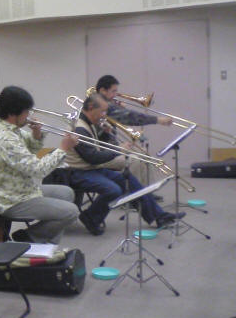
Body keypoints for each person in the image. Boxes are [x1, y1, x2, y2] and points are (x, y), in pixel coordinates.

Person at [65, 93, 184, 235]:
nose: (104, 115)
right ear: (90, 107)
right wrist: (119, 149)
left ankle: (159, 216)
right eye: (102, 112)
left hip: (91, 169)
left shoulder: (89, 123)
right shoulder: (80, 128)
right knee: (113, 189)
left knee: (127, 179)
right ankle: (90, 217)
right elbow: (93, 157)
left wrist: (107, 133)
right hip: (78, 172)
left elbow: (95, 150)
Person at [0, 86, 79, 244]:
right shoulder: (3, 137)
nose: (29, 116)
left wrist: (36, 134)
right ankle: (30, 237)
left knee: (66, 193)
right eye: (26, 112)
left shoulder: (6, 126)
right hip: (12, 199)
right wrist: (63, 149)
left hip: (22, 188)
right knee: (71, 212)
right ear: (12, 113)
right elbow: (38, 170)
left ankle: (44, 244)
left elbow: (30, 149)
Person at [96, 74, 172, 188]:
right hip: (102, 154)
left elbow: (114, 126)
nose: (116, 95)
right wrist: (158, 120)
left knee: (144, 154)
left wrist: (118, 109)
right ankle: (134, 194)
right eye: (113, 91)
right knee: (135, 160)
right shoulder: (99, 106)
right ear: (102, 91)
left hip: (112, 148)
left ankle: (146, 191)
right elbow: (129, 117)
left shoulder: (107, 105)